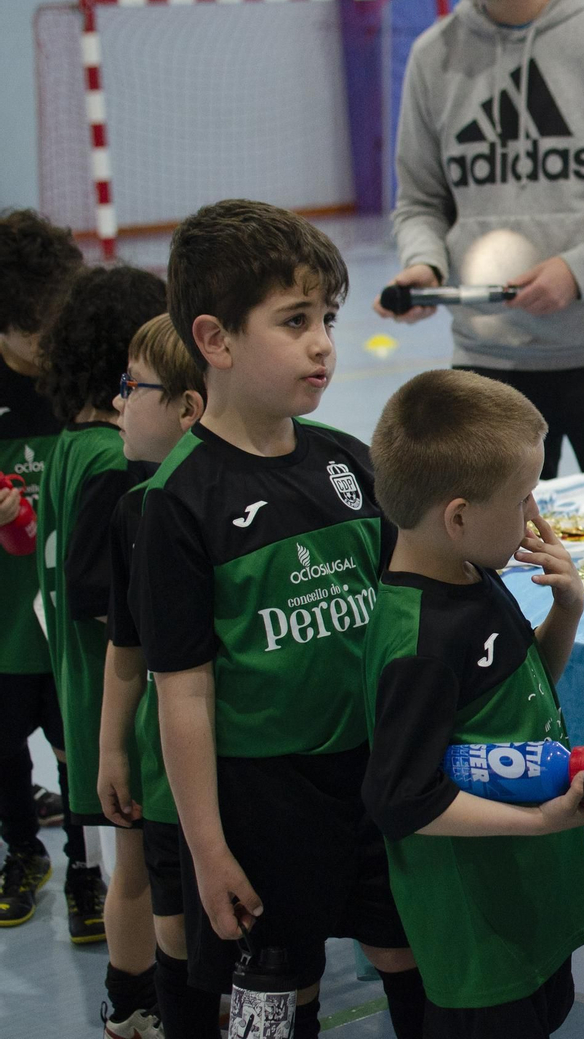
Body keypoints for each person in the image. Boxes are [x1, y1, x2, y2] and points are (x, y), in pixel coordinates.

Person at [137, 200, 423, 1038]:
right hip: (265, 801)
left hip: (373, 775)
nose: (323, 342)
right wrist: (208, 850)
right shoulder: (178, 504)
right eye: (294, 321)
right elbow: (181, 695)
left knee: (408, 955)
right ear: (216, 340)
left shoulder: (346, 461)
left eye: (327, 318)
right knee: (276, 989)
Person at [377, 0, 584, 495]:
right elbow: (420, 201)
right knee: (491, 566)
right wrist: (426, 264)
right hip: (490, 365)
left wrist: (579, 271)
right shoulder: (432, 56)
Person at [362, 369, 584, 1038]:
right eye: (524, 497)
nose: (534, 514)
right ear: (460, 515)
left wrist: (568, 609)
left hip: (522, 894)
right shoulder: (419, 644)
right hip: (478, 928)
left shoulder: (472, 571)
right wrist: (539, 824)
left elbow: (525, 688)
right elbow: (401, 798)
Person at [35, 266, 167, 1035]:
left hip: (90, 693)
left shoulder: (71, 442)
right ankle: (137, 999)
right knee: (143, 873)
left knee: (135, 870)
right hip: (123, 705)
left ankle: (132, 999)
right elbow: (96, 594)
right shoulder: (109, 462)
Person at [100, 313, 217, 1039]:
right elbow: (126, 649)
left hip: (239, 766)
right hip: (166, 772)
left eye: (129, 387)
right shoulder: (130, 512)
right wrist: (112, 749)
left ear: (186, 408)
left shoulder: (216, 502)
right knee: (176, 931)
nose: (116, 403)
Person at [0, 209, 85, 934]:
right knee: (3, 747)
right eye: (35, 333)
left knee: (77, 742)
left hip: (68, 615)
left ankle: (87, 863)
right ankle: (22, 848)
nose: (48, 346)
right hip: (3, 619)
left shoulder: (80, 379)